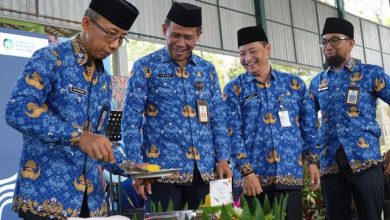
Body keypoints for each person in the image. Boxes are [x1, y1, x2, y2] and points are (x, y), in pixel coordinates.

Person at [5, 0, 139, 219]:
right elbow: (17, 110)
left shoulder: (104, 79)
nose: (115, 45)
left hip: (91, 202)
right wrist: (79, 137)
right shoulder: (50, 59)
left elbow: (102, 140)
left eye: (122, 38)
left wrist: (132, 169)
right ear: (86, 23)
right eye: (111, 34)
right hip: (45, 198)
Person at [122, 1, 232, 211]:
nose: (181, 43)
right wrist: (136, 166)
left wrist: (223, 159)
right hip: (161, 174)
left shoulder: (207, 70)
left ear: (198, 36)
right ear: (165, 30)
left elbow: (218, 120)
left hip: (205, 173)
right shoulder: (145, 67)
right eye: (175, 35)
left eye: (188, 37)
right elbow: (130, 120)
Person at [224, 26, 321, 220]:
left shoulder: (294, 85)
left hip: (289, 175)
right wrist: (246, 172)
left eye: (253, 51)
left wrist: (312, 161)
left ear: (268, 48)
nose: (247, 58)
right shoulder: (234, 89)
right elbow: (231, 132)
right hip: (252, 181)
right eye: (242, 53)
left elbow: (310, 126)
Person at [309, 17, 390, 220]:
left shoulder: (371, 73)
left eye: (334, 40)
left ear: (351, 43)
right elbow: (306, 121)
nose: (328, 46)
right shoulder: (318, 82)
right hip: (330, 166)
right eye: (324, 41)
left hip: (366, 163)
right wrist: (311, 158)